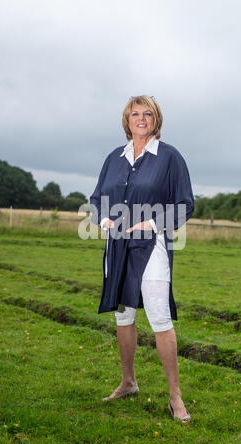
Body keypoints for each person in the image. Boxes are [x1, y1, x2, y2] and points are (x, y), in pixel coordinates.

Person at [89, 95, 194, 422]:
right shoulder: (114, 158)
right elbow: (96, 200)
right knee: (123, 316)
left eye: (148, 113)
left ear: (156, 119)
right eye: (135, 113)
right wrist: (104, 219)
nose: (141, 118)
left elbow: (184, 205)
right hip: (118, 247)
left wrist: (150, 223)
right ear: (127, 120)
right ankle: (128, 382)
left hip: (152, 245)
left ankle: (175, 397)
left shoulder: (169, 157)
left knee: (160, 317)